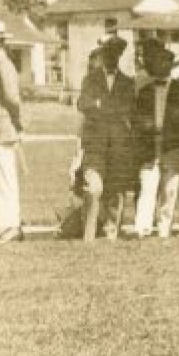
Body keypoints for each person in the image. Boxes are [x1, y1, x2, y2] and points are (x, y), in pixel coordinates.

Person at [131, 46, 179, 239]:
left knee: (170, 187)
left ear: (170, 65)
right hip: (150, 144)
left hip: (172, 144)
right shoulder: (144, 91)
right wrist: (148, 128)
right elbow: (136, 118)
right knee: (148, 185)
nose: (161, 66)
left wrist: (173, 130)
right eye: (157, 62)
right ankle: (142, 228)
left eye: (165, 62)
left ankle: (164, 226)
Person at [78, 36, 138, 241]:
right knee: (94, 188)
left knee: (115, 191)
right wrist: (103, 108)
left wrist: (100, 106)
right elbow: (83, 104)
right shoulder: (91, 79)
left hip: (118, 146)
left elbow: (129, 110)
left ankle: (112, 231)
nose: (112, 57)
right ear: (103, 54)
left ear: (120, 56)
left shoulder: (128, 83)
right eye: (108, 53)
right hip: (95, 144)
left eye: (116, 54)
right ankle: (89, 232)